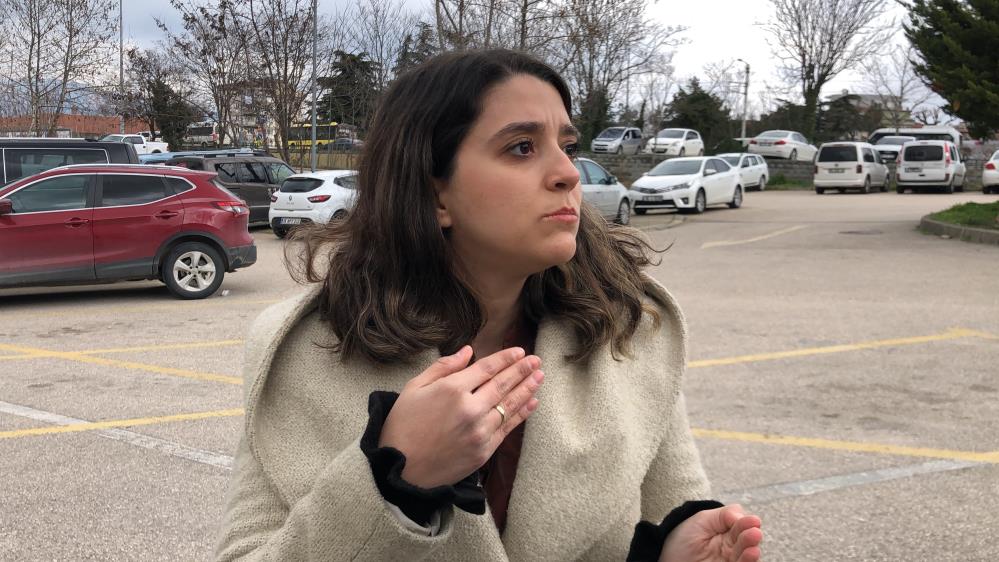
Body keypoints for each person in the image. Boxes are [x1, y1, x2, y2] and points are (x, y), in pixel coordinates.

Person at [214, 49, 763, 562]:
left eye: (567, 147)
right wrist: (393, 480)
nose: (568, 173)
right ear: (435, 194)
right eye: (521, 147)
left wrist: (664, 550)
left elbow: (671, 504)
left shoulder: (629, 332)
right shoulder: (303, 350)